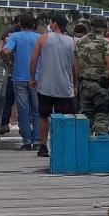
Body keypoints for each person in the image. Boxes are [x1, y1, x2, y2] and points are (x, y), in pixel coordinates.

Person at [29, 14, 76, 158]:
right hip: (64, 86)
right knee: (65, 117)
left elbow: (34, 61)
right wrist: (75, 82)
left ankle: (43, 147)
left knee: (43, 116)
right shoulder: (72, 41)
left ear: (54, 24)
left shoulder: (43, 38)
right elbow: (75, 65)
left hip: (45, 85)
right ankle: (63, 145)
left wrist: (32, 78)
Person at [74, 17, 109, 135]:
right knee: (102, 118)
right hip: (102, 86)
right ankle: (100, 147)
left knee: (85, 119)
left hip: (84, 84)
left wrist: (76, 84)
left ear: (91, 27)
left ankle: (85, 148)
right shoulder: (105, 43)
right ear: (104, 29)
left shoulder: (79, 42)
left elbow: (76, 66)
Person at [1, 14, 40, 150]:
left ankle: (26, 141)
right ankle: (38, 140)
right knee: (37, 110)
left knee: (23, 110)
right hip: (36, 78)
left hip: (19, 77)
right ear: (34, 25)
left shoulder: (14, 36)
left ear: (20, 25)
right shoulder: (39, 38)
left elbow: (6, 51)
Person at [0, 16, 21, 134]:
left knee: (7, 100)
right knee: (24, 101)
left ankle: (3, 124)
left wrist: (6, 58)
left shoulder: (6, 33)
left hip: (8, 72)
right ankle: (22, 125)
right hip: (23, 73)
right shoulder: (24, 35)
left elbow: (1, 51)